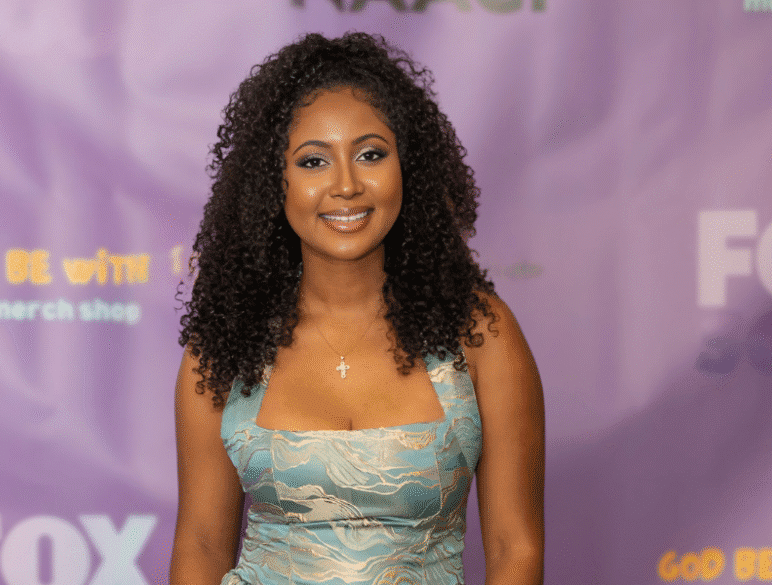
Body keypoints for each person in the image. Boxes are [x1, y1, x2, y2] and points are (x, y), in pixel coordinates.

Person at [170, 32, 544, 585]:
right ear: (275, 182)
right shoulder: (229, 341)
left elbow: (517, 550)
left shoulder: (478, 332)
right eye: (313, 161)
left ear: (407, 168)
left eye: (370, 154)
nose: (345, 185)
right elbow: (200, 546)